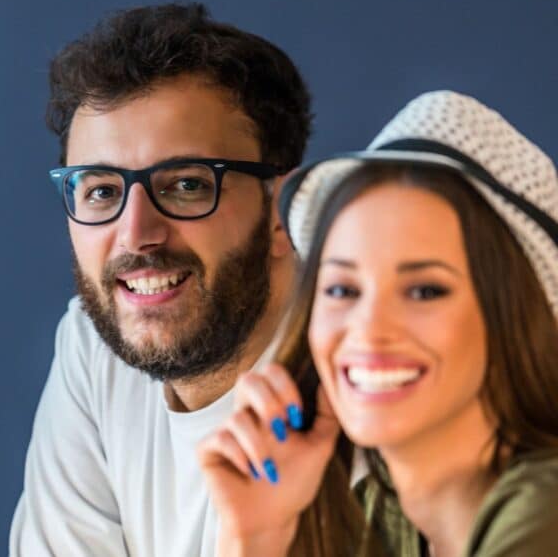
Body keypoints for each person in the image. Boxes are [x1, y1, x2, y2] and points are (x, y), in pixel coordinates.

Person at [198, 90, 558, 556]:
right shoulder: (378, 513)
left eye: (424, 291)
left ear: (512, 314)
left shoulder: (545, 514)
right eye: (342, 290)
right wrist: (255, 534)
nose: (368, 329)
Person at [9, 3, 313, 555]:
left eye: (187, 185)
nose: (136, 234)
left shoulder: (363, 366)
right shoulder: (93, 348)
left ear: (281, 211)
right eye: (102, 191)